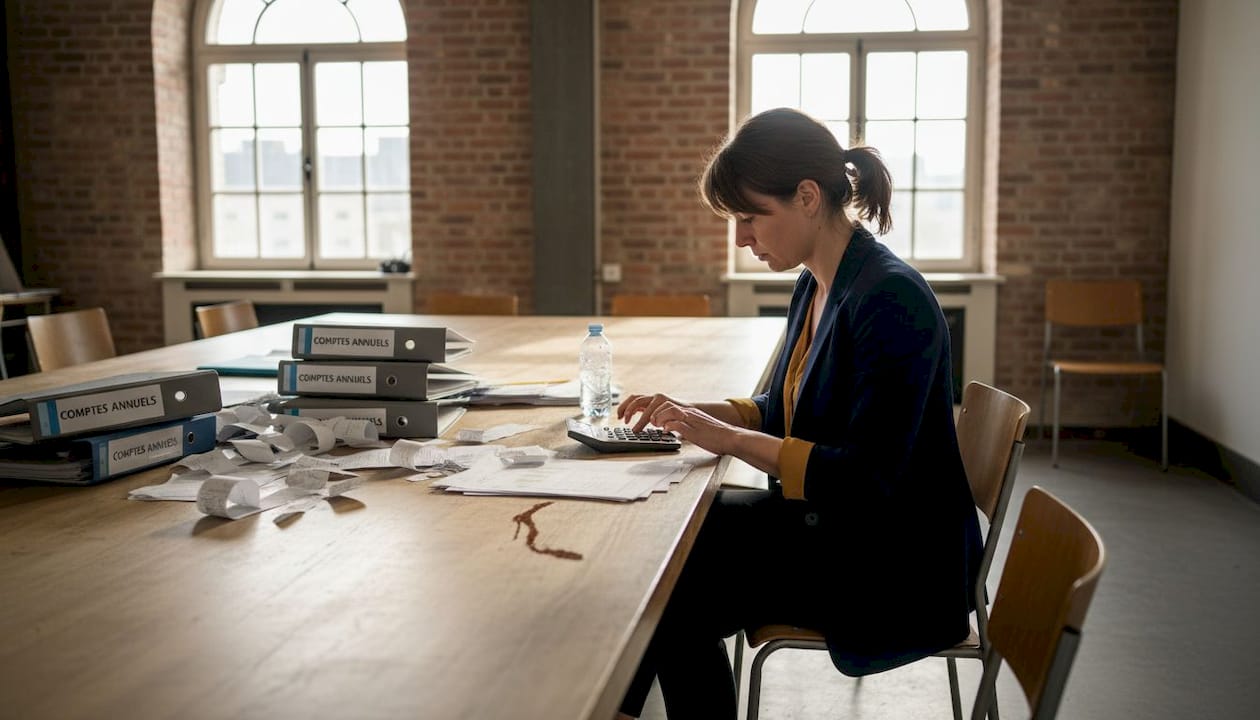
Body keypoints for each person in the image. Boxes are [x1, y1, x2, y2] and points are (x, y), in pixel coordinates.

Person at [615, 107, 983, 719]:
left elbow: (866, 478)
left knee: (672, 590)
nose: (741, 238)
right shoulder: (817, 281)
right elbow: (786, 407)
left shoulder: (891, 298)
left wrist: (727, 439)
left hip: (892, 564)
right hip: (838, 528)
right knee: (665, 548)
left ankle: (617, 709)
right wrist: (690, 413)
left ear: (807, 197)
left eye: (750, 216)